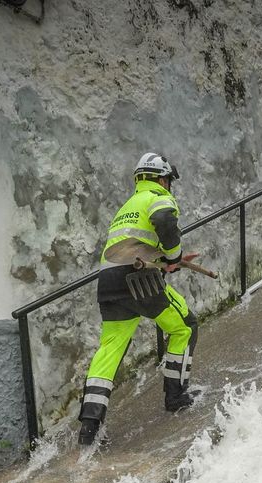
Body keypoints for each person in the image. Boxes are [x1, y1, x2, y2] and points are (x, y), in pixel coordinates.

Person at [76, 152, 201, 447]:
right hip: (139, 281)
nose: (169, 186)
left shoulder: (126, 207)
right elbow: (163, 221)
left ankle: (89, 426)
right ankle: (176, 397)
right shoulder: (158, 196)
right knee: (185, 326)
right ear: (160, 178)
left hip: (109, 283)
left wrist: (170, 260)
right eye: (168, 180)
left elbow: (134, 248)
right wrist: (174, 256)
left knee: (110, 348)